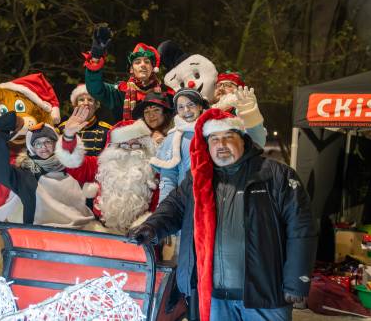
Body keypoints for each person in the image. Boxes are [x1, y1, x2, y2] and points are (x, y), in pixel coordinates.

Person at [129, 108, 317, 321]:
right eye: (214, 139)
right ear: (207, 146)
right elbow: (173, 208)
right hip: (214, 298)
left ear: (244, 141)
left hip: (265, 296)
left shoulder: (276, 175)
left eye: (228, 137)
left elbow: (301, 230)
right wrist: (151, 227)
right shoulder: (198, 179)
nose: (221, 145)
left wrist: (297, 281)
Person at [55, 106, 158, 233]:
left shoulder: (154, 171)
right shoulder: (101, 165)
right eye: (124, 145)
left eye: (136, 145)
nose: (131, 150)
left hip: (144, 235)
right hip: (103, 233)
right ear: (113, 148)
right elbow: (74, 164)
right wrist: (69, 137)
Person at [0, 111, 95, 228]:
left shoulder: (70, 167)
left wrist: (69, 136)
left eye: (47, 142)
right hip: (39, 234)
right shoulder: (25, 175)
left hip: (75, 231)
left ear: (55, 143)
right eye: (37, 143)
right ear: (32, 148)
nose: (43, 147)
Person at [83, 25, 171, 121]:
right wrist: (96, 56)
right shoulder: (119, 92)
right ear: (131, 70)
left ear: (153, 68)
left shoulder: (166, 92)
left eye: (147, 62)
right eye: (137, 62)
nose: (143, 65)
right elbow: (95, 89)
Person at [58, 84, 111, 156]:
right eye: (81, 100)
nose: (86, 103)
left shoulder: (107, 130)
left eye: (90, 100)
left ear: (96, 105)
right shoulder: (62, 128)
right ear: (75, 105)